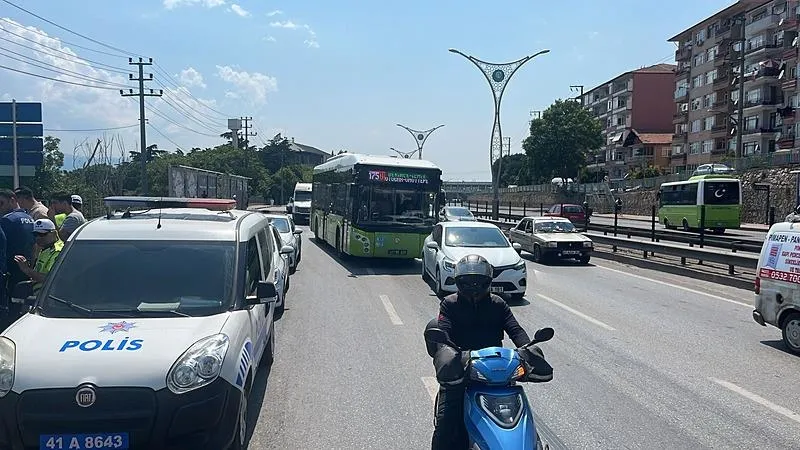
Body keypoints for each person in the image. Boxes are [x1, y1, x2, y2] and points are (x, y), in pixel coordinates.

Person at [429, 254, 532, 450]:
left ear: (488, 281)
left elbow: (516, 330)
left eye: (478, 281)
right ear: (459, 282)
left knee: (523, 417)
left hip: (496, 372)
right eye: (468, 282)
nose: (473, 286)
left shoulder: (498, 304)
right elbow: (443, 333)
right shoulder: (449, 304)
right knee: (446, 424)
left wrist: (528, 349)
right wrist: (448, 355)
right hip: (460, 370)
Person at [13, 219, 63, 293]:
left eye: (42, 234)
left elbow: (50, 279)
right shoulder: (45, 248)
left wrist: (27, 270)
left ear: (54, 233)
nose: (38, 238)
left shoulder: (58, 251)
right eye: (35, 234)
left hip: (49, 295)